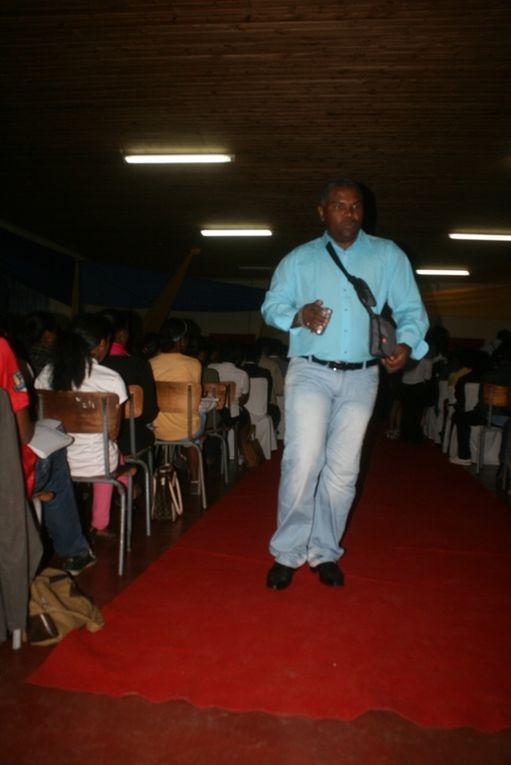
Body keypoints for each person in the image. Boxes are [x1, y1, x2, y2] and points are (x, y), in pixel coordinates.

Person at [261, 177, 428, 590]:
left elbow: (411, 310)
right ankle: (288, 552)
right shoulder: (298, 260)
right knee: (302, 462)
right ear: (322, 211)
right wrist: (298, 316)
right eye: (339, 206)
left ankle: (324, 550)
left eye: (355, 206)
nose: (348, 213)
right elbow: (271, 306)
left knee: (343, 471)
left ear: (363, 211)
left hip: (363, 377)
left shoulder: (388, 255)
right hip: (310, 371)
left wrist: (405, 344)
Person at [0, 335, 96, 575]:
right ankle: (75, 553)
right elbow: (24, 435)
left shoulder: (45, 376)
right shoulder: (1, 349)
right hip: (9, 481)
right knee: (53, 455)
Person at [35, 314, 128, 538]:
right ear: (102, 344)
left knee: (107, 451)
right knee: (109, 451)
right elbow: (114, 434)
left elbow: (41, 423)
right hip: (97, 463)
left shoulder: (46, 374)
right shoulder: (111, 379)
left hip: (54, 464)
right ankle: (102, 521)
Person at [149, 318, 205, 493]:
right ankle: (195, 480)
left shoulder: (150, 363)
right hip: (186, 429)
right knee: (199, 417)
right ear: (181, 340)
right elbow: (194, 399)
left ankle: (173, 458)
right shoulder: (194, 364)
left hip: (155, 428)